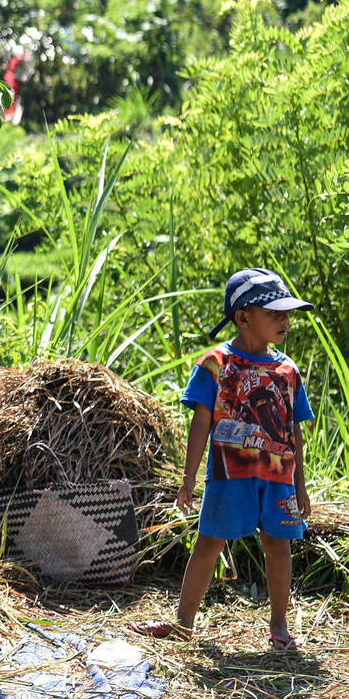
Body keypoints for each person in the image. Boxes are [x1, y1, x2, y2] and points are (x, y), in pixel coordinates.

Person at [133, 269, 314, 650]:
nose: (285, 320)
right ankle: (183, 623)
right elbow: (201, 421)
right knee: (209, 543)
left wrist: (301, 485)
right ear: (243, 316)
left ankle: (279, 625)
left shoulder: (288, 370)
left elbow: (295, 429)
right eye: (274, 313)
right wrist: (188, 477)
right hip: (230, 476)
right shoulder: (216, 363)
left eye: (287, 313)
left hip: (279, 478)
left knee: (278, 545)